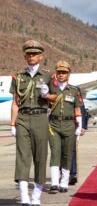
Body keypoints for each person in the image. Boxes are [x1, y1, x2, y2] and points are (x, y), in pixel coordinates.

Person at [9, 40, 56, 206]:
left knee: (40, 156)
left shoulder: (48, 76)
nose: (31, 56)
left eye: (34, 54)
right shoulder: (18, 76)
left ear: (40, 56)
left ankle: (36, 195)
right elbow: (15, 102)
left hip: (40, 118)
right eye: (29, 54)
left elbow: (57, 98)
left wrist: (47, 95)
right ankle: (24, 196)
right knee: (22, 157)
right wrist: (13, 124)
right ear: (25, 56)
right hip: (22, 118)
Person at [48, 60, 84, 193]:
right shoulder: (50, 89)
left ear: (69, 74)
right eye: (59, 72)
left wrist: (79, 128)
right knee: (55, 152)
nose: (61, 74)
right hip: (53, 124)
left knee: (67, 154)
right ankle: (54, 182)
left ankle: (64, 182)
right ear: (55, 73)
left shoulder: (74, 90)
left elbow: (77, 111)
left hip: (69, 125)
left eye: (64, 72)